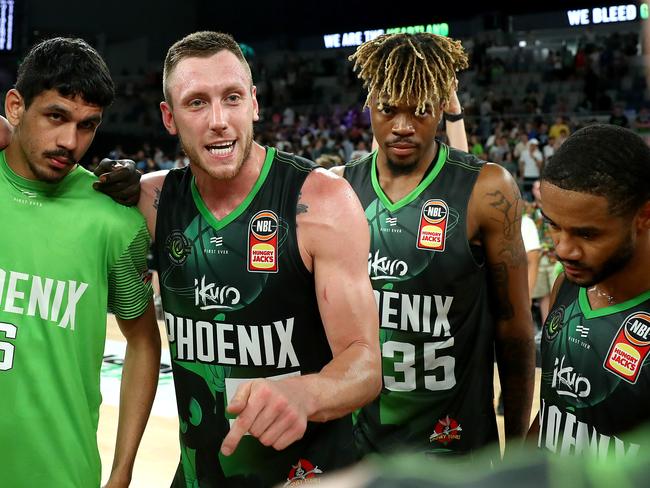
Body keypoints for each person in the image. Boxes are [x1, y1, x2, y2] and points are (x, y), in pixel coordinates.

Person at [104, 31, 382, 487]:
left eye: (231, 97)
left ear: (253, 103)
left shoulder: (319, 202)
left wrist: (305, 393)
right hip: (199, 474)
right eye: (196, 103)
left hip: (309, 474)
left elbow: (366, 362)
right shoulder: (151, 201)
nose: (218, 120)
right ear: (168, 118)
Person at [331, 32, 535, 458]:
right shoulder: (338, 190)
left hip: (455, 449)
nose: (403, 125)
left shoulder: (486, 189)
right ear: (370, 105)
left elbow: (514, 331)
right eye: (389, 109)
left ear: (443, 104)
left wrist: (517, 451)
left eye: (421, 110)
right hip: (359, 447)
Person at [0, 37, 160, 487]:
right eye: (56, 117)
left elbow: (145, 341)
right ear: (16, 106)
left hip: (61, 473)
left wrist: (123, 470)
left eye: (87, 126)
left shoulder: (112, 220)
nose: (69, 141)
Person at [531, 124, 650, 458]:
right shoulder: (567, 284)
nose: (564, 250)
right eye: (553, 225)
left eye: (587, 234)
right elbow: (552, 412)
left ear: (644, 216)